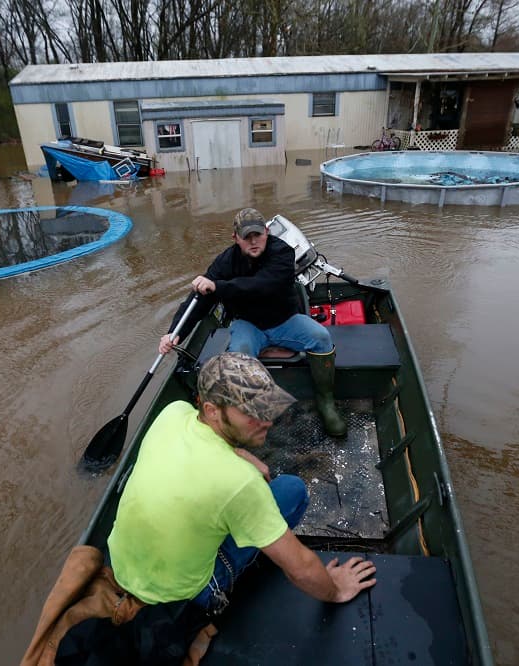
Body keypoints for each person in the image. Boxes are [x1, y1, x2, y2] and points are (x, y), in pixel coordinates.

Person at [107, 352, 377, 651]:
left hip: (119, 565)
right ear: (211, 410)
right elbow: (299, 567)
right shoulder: (240, 484)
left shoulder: (173, 412)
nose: (267, 420)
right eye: (251, 411)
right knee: (292, 491)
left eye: (266, 405)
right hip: (181, 597)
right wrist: (336, 589)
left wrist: (242, 454)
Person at [159, 207, 346, 437]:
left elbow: (264, 285)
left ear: (267, 232)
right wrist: (175, 332)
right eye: (246, 237)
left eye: (258, 234)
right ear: (235, 238)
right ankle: (249, 416)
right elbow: (199, 299)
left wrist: (219, 287)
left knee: (322, 338)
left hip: (284, 320)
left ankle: (326, 402)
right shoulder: (225, 262)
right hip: (248, 324)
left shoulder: (282, 252)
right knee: (240, 357)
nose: (253, 241)